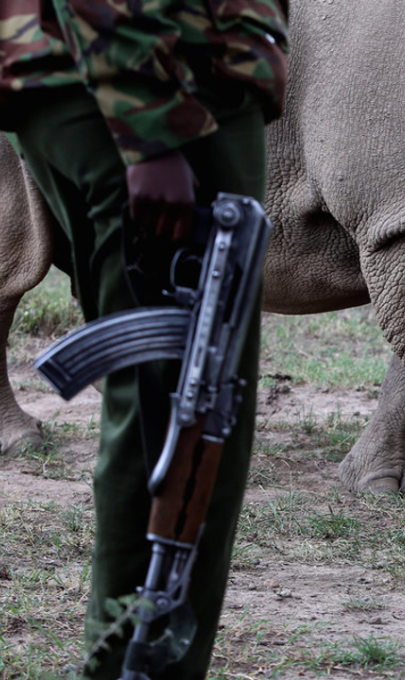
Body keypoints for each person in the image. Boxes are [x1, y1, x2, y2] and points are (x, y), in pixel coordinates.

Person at [0, 1, 288, 677]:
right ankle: (132, 668)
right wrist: (149, 124)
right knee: (184, 415)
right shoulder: (152, 101)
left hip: (145, 77)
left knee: (181, 406)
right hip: (155, 82)